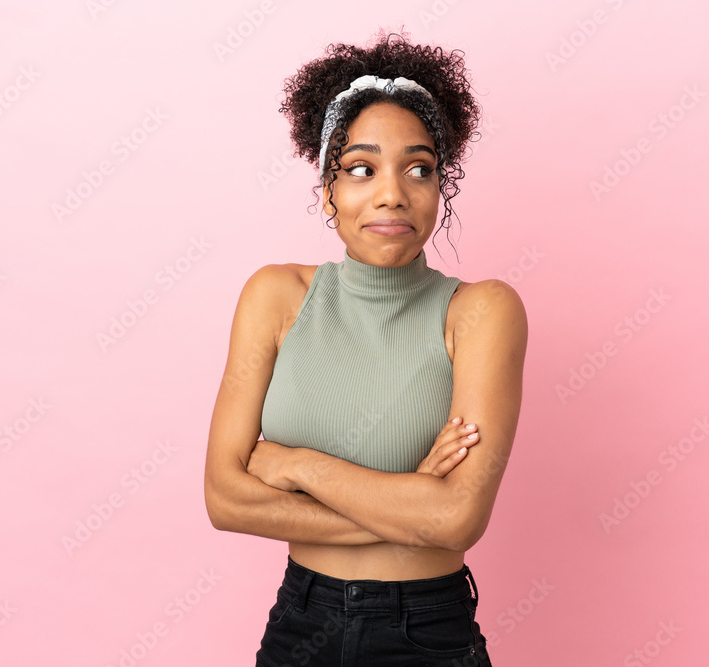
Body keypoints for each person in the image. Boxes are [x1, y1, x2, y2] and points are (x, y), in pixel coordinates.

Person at [204, 28, 527, 666]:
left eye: (419, 168)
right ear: (328, 190)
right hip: (302, 621)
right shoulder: (275, 296)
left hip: (427, 629)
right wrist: (411, 503)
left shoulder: (483, 311)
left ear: (441, 189)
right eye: (360, 168)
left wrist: (294, 465)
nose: (391, 193)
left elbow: (459, 520)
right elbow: (223, 498)